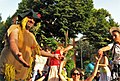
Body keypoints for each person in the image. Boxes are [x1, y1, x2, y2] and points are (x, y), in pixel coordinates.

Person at [0, 9, 59, 81]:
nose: (32, 21)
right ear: (24, 18)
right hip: (8, 72)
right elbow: (13, 41)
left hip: (22, 74)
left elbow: (38, 51)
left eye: (34, 20)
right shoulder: (15, 28)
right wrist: (17, 53)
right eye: (30, 18)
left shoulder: (32, 36)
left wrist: (53, 56)